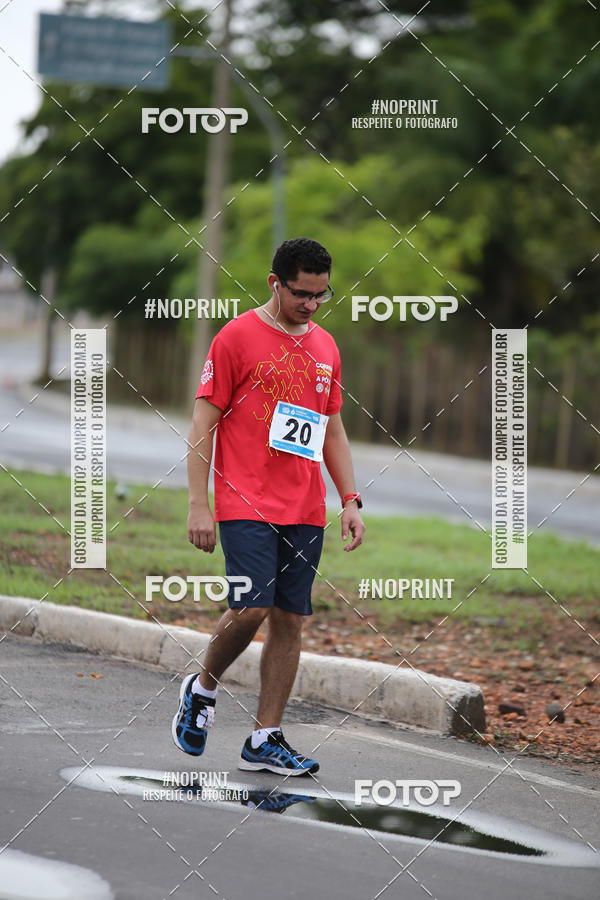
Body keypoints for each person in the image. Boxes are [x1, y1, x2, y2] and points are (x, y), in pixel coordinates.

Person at [172, 237, 365, 775]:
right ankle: (203, 687)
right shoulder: (236, 337)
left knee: (290, 620)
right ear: (274, 282)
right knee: (251, 607)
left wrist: (349, 499)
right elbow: (201, 427)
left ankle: (265, 737)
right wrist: (198, 504)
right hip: (243, 502)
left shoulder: (326, 346)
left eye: (321, 296)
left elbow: (332, 430)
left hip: (304, 507)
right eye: (301, 293)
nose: (310, 304)